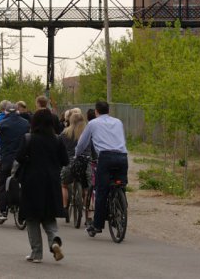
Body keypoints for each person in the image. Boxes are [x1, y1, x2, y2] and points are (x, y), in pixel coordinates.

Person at [16, 108, 68, 263]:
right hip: (51, 182)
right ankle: (54, 242)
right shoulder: (57, 139)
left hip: (31, 182)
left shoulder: (29, 138)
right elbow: (65, 161)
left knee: (32, 218)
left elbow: (19, 157)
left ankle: (36, 253)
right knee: (49, 216)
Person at [75, 101, 128, 237]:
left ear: (96, 111)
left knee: (101, 190)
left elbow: (82, 143)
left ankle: (97, 225)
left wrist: (77, 154)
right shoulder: (118, 122)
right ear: (108, 110)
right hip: (122, 156)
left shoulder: (93, 123)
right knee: (121, 185)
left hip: (105, 157)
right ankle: (120, 210)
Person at [0, 102, 29, 220]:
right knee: (24, 181)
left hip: (7, 158)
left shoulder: (2, 123)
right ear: (17, 111)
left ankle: (3, 211)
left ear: (5, 112)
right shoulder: (26, 123)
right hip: (23, 159)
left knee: (0, 183)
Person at [59, 112, 90, 209]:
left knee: (64, 185)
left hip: (70, 163)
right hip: (86, 162)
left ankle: (64, 207)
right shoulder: (88, 133)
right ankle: (87, 209)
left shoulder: (64, 133)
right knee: (87, 188)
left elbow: (59, 148)